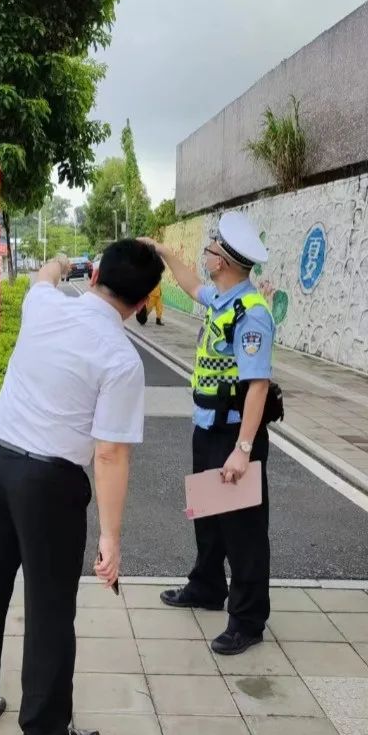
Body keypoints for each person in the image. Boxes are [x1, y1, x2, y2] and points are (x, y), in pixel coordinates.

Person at [0, 240, 165, 735]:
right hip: (49, 485)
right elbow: (110, 454)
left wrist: (64, 262)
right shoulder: (120, 358)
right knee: (49, 610)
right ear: (142, 303)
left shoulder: (45, 304)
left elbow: (43, 275)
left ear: (93, 277)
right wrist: (110, 538)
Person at [142, 211, 276, 657]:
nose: (205, 256)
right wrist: (163, 251)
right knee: (208, 516)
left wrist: (242, 451)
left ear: (223, 262)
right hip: (208, 428)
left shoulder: (251, 313)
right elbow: (186, 283)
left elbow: (258, 385)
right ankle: (206, 586)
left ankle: (248, 619)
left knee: (243, 530)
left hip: (235, 436)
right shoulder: (222, 299)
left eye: (210, 250)